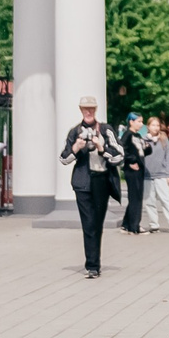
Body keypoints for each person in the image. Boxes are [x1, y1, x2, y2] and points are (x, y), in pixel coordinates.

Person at [61, 96, 119, 276]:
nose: (88, 112)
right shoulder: (74, 132)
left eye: (91, 109)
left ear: (96, 110)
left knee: (97, 223)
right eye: (85, 109)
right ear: (80, 110)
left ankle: (95, 262)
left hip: (101, 181)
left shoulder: (106, 130)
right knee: (88, 223)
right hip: (82, 183)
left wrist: (102, 148)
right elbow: (64, 158)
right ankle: (92, 266)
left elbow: (119, 156)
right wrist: (77, 148)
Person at [141, 118, 169, 231]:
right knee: (149, 201)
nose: (156, 127)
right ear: (148, 126)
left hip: (161, 174)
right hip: (147, 175)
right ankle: (154, 225)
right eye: (153, 125)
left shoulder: (163, 139)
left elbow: (168, 157)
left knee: (166, 200)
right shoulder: (143, 140)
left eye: (157, 125)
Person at [119, 114, 150, 235]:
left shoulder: (138, 136)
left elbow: (141, 151)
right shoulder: (127, 135)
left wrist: (147, 148)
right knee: (135, 198)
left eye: (142, 121)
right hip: (132, 170)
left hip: (140, 169)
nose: (141, 124)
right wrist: (130, 161)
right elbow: (122, 150)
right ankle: (134, 226)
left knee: (136, 197)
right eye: (138, 121)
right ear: (131, 122)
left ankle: (126, 224)